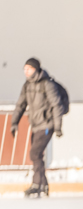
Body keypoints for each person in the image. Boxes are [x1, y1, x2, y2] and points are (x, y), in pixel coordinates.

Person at [11, 58, 64, 198]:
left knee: (35, 153)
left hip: (47, 125)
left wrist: (58, 127)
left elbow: (57, 105)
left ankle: (36, 184)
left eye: (28, 69)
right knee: (37, 155)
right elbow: (20, 105)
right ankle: (44, 185)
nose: (26, 71)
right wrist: (14, 122)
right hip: (35, 126)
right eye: (24, 69)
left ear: (35, 69)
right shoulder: (27, 86)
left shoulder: (47, 84)